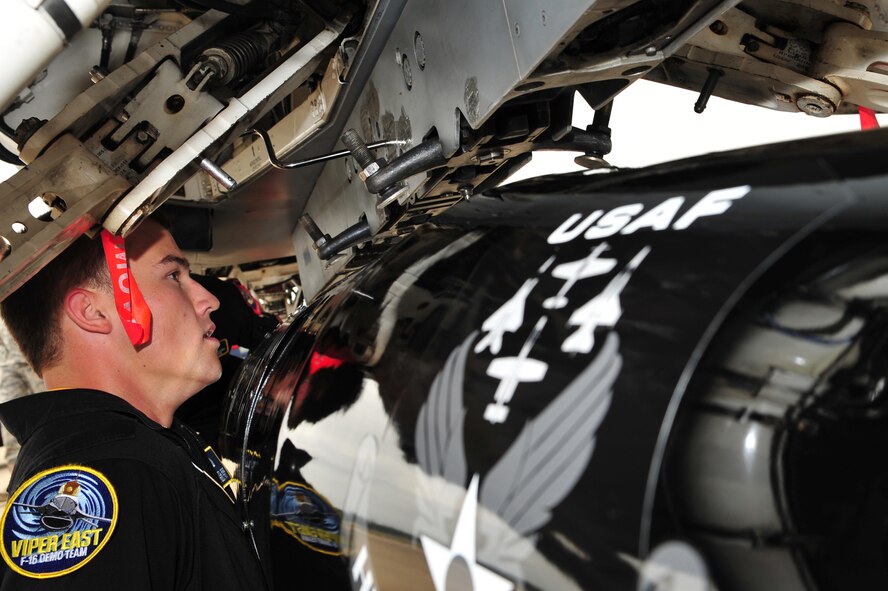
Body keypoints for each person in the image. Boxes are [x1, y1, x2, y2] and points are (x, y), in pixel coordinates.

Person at [0, 219, 269, 589]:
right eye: (173, 275)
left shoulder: (136, 449)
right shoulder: (107, 473)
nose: (210, 300)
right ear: (93, 313)